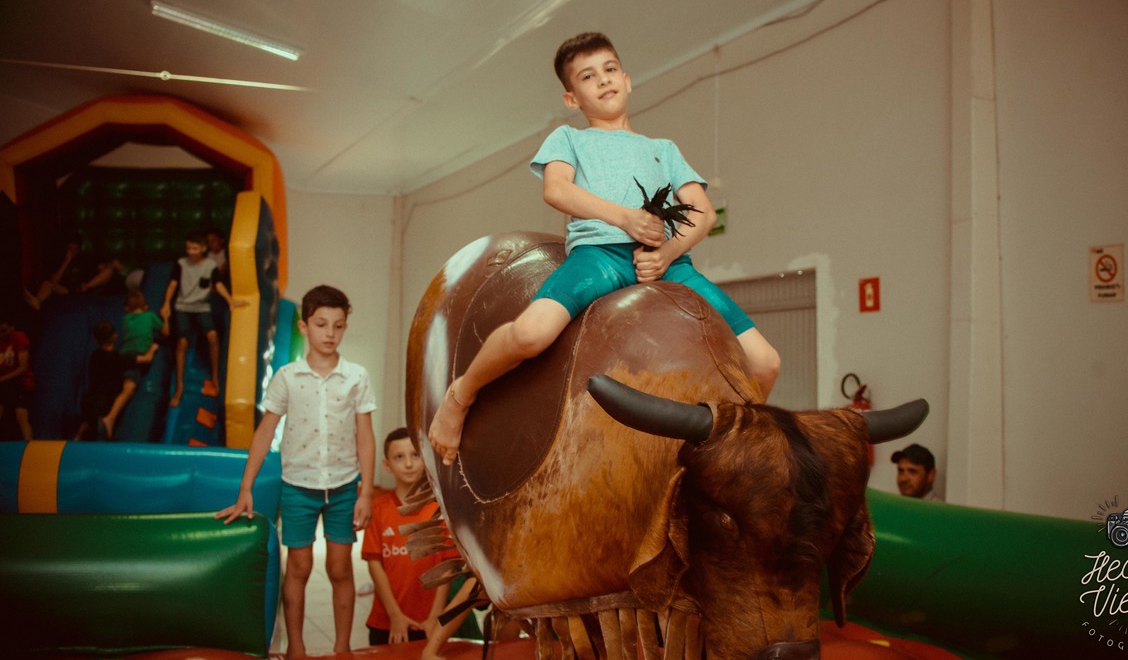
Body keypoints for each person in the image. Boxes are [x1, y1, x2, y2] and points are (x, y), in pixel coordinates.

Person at [429, 32, 781, 465]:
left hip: (667, 264)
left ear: (627, 80)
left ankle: (728, 455)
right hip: (599, 257)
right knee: (531, 334)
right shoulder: (570, 139)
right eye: (588, 76)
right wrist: (625, 219)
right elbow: (557, 191)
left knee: (765, 362)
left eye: (610, 69)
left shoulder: (663, 149)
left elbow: (704, 213)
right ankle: (460, 394)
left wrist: (667, 254)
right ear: (572, 98)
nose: (603, 80)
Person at [216, 285, 376, 660]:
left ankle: (342, 648)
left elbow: (365, 437)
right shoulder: (288, 377)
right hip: (298, 486)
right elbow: (265, 432)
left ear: (345, 326)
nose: (330, 333)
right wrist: (245, 487)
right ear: (304, 326)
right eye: (321, 324)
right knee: (299, 567)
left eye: (338, 325)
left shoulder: (356, 376)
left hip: (343, 486)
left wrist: (367, 491)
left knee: (340, 568)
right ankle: (296, 648)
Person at [363, 427, 450, 646]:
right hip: (387, 623)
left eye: (415, 455)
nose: (409, 464)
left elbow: (447, 566)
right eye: (399, 457)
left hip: (429, 624)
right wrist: (394, 615)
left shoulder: (439, 510)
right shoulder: (378, 509)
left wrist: (436, 616)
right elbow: (374, 565)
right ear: (387, 465)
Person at [160, 230, 241, 405]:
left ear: (203, 248)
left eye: (195, 248)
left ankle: (215, 377)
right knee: (182, 343)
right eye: (188, 248)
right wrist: (166, 303)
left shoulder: (210, 265)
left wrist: (230, 301)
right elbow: (173, 284)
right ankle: (179, 387)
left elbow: (218, 284)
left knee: (213, 337)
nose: (191, 252)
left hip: (202, 307)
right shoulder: (181, 264)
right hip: (183, 306)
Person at [76, 320, 158, 441]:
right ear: (115, 336)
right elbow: (147, 359)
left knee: (89, 418)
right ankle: (109, 422)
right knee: (126, 392)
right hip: (106, 404)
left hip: (88, 402)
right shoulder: (120, 358)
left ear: (95, 340)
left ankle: (77, 437)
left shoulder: (94, 356)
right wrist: (152, 348)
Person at [0, 313, 35, 440]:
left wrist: (2, 379)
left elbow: (23, 367)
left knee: (21, 415)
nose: (1, 334)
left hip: (20, 382)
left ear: (12, 327)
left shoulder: (19, 338)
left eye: (3, 330)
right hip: (4, 384)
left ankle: (29, 445)